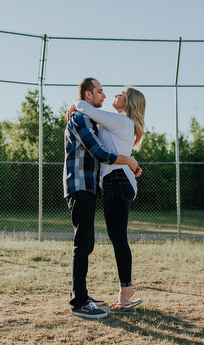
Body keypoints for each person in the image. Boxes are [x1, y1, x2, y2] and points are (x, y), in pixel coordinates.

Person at [63, 77, 140, 319]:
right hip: (85, 184)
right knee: (87, 242)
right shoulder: (84, 118)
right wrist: (128, 160)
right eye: (100, 91)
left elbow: (103, 147)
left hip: (103, 184)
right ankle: (80, 301)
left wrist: (77, 105)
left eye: (111, 93)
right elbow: (100, 152)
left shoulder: (111, 120)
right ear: (88, 95)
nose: (105, 96)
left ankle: (89, 295)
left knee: (100, 240)